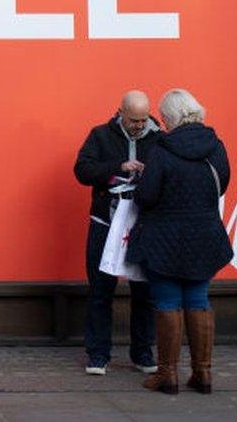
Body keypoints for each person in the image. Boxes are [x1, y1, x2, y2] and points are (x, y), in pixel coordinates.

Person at [126, 88, 234, 395]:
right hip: (205, 234)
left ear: (169, 118)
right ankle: (203, 374)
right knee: (199, 299)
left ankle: (168, 375)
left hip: (164, 238)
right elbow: (221, 184)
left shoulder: (162, 149)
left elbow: (146, 196)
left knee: (167, 301)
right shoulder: (216, 146)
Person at [73, 90, 159, 376]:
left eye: (144, 119)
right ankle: (98, 355)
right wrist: (118, 167)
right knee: (100, 289)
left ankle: (143, 353)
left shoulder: (159, 137)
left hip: (143, 224)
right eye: (134, 119)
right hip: (105, 222)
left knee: (144, 290)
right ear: (119, 112)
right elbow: (82, 170)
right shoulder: (99, 135)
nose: (139, 125)